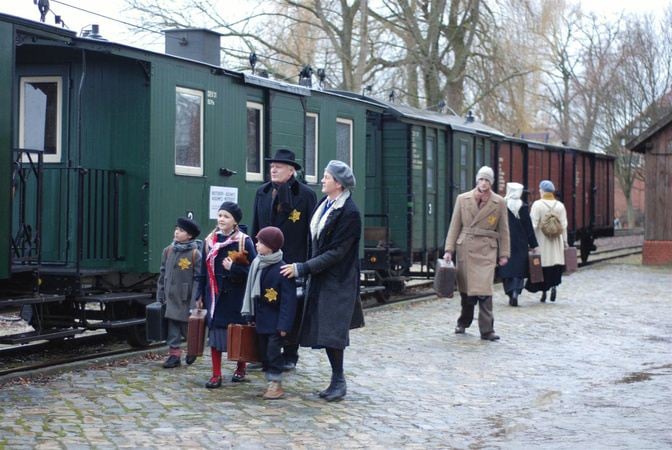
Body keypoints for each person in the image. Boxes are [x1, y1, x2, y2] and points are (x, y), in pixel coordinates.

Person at [280, 160, 364, 402]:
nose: (323, 180)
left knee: (333, 331)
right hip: (322, 277)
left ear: (338, 183)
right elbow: (315, 242)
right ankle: (336, 380)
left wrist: (304, 268)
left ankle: (339, 381)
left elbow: (337, 252)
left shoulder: (349, 213)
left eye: (327, 177)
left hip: (339, 280)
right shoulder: (325, 204)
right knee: (326, 330)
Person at [252, 148, 317, 371]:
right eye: (271, 166)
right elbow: (256, 228)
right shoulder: (262, 192)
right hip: (265, 261)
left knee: (291, 308)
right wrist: (255, 257)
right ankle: (265, 355)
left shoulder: (306, 195)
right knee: (265, 306)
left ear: (291, 171)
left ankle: (290, 354)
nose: (273, 169)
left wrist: (307, 264)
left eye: (278, 166)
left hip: (292, 259)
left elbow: (311, 233)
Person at [443, 166, 510, 341]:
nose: (483, 183)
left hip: (487, 250)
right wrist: (449, 250)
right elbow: (454, 225)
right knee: (467, 292)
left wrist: (504, 254)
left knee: (485, 291)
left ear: (491, 183)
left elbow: (504, 230)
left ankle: (487, 330)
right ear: (476, 181)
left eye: (487, 180)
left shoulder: (499, 202)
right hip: (466, 248)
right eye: (481, 179)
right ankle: (463, 322)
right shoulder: (462, 199)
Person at [197, 201, 257, 388]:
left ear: (235, 221)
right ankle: (216, 374)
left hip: (236, 297)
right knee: (215, 336)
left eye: (226, 216)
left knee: (237, 334)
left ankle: (241, 367)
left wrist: (233, 269)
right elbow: (203, 271)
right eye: (220, 215)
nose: (221, 219)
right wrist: (199, 295)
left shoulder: (243, 241)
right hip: (215, 296)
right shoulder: (210, 241)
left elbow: (253, 272)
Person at [241, 226, 297, 400]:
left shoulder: (282, 270)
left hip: (275, 322)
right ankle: (270, 382)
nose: (257, 245)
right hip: (261, 321)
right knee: (264, 352)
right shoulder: (257, 265)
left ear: (271, 246)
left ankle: (276, 383)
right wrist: (250, 317)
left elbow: (289, 302)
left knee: (273, 352)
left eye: (260, 242)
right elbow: (252, 295)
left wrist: (284, 325)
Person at [156, 217, 202, 368]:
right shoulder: (168, 251)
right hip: (171, 296)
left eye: (181, 230)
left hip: (186, 297)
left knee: (188, 327)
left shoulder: (195, 254)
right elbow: (163, 274)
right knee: (173, 326)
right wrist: (160, 293)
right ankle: (174, 355)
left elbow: (197, 278)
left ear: (189, 236)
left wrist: (195, 299)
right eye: (176, 229)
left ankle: (192, 349)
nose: (176, 232)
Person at [525, 180, 568, 303]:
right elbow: (564, 225)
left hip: (542, 241)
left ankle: (544, 291)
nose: (539, 191)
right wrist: (565, 242)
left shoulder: (537, 205)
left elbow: (533, 225)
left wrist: (530, 242)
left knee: (543, 267)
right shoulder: (560, 206)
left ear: (543, 191)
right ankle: (554, 286)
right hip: (556, 241)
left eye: (540, 189)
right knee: (555, 266)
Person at [497, 182, 539, 307]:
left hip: (506, 242)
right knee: (519, 270)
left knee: (507, 268)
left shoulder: (502, 205)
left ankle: (510, 293)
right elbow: (529, 228)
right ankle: (516, 291)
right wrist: (534, 245)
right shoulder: (523, 207)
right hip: (521, 242)